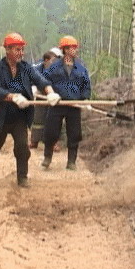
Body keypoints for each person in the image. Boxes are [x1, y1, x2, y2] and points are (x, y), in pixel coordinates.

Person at [0, 32, 61, 197]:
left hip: (19, 117)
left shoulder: (26, 68)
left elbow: (41, 80)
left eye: (22, 49)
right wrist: (13, 96)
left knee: (22, 147)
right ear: (7, 50)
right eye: (17, 49)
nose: (21, 53)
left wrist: (50, 93)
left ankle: (22, 178)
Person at [41, 35, 91, 171]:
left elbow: (86, 85)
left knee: (74, 133)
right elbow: (44, 80)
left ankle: (71, 161)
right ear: (65, 49)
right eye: (72, 48)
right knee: (51, 132)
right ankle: (47, 157)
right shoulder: (54, 66)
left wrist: (85, 98)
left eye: (75, 47)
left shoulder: (81, 68)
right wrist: (50, 93)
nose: (75, 50)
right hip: (57, 104)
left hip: (74, 105)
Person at [29, 48, 63, 150]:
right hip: (40, 95)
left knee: (54, 119)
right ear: (50, 57)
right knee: (38, 119)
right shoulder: (38, 67)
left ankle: (53, 143)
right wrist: (33, 88)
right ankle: (34, 141)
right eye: (56, 58)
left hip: (54, 95)